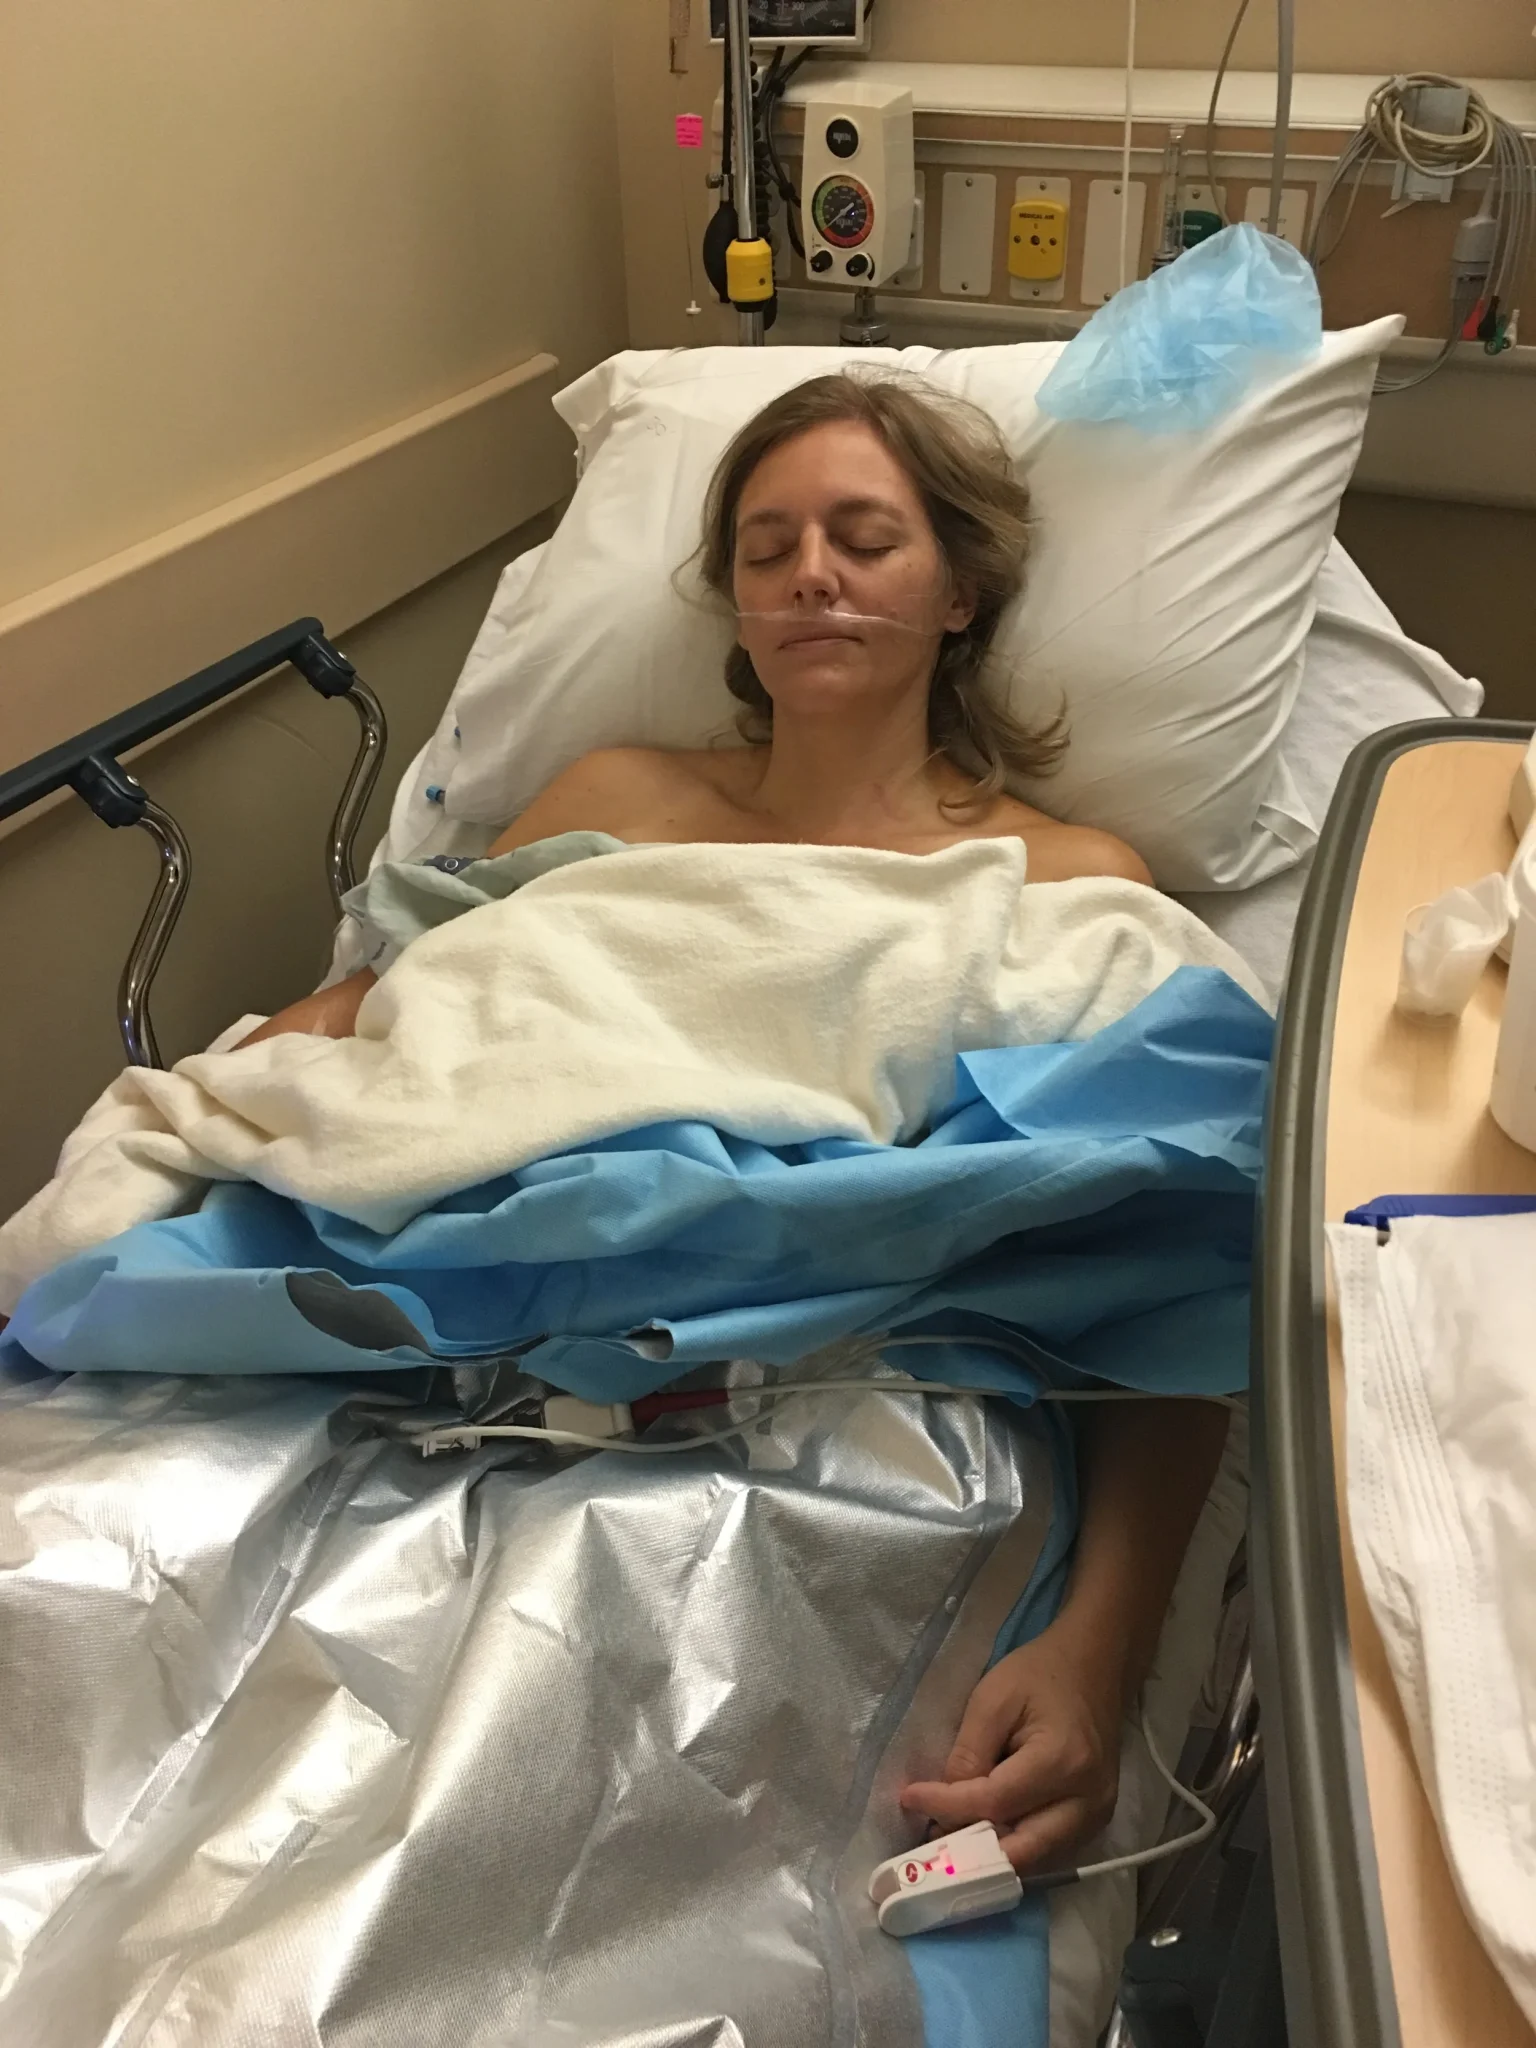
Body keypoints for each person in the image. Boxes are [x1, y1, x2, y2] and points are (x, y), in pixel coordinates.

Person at [239, 372, 1229, 1877]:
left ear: (959, 593)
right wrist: (225, 1101)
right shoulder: (615, 800)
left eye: (863, 540)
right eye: (769, 550)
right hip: (443, 1318)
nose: (811, 574)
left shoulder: (1065, 881)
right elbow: (410, 1017)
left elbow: (1167, 1266)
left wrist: (1103, 1644)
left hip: (827, 1405)